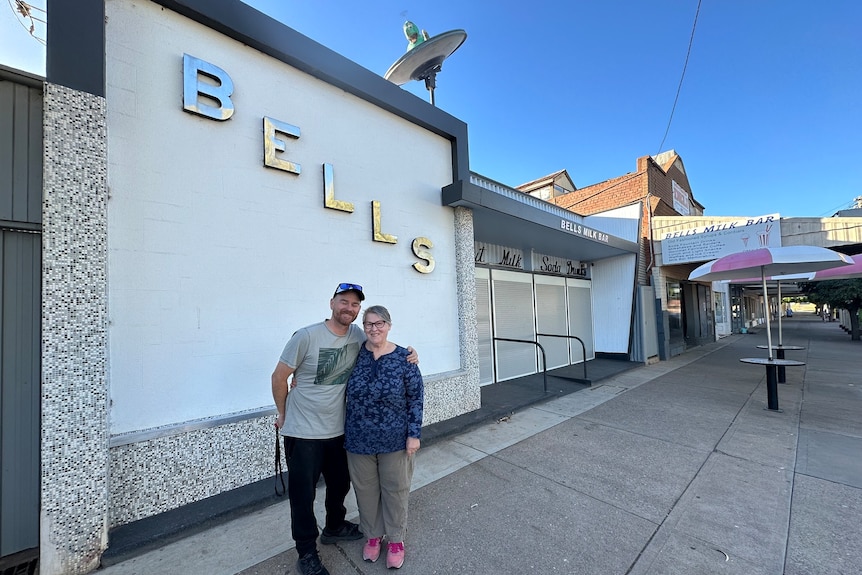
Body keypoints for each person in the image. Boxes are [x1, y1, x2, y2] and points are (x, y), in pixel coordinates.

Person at [271, 284, 417, 575]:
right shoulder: (306, 336)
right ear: (331, 303)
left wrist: (410, 353)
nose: (348, 308)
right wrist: (283, 412)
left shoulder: (358, 335)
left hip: (340, 432)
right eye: (343, 302)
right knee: (303, 497)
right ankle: (307, 552)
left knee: (340, 486)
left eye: (354, 305)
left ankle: (335, 526)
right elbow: (279, 376)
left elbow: (382, 342)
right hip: (304, 433)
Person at [344, 305, 424, 570]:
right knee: (366, 492)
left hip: (395, 440)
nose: (374, 328)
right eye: (368, 324)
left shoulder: (405, 358)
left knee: (395, 491)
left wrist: (414, 434)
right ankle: (373, 536)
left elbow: (416, 399)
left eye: (379, 323)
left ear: (389, 325)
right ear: (363, 328)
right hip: (359, 439)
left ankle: (396, 540)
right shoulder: (354, 355)